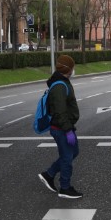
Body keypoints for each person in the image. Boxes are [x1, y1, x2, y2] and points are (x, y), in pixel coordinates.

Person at [38, 55, 82, 199]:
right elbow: (60, 111)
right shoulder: (59, 86)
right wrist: (68, 130)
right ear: (69, 69)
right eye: (73, 67)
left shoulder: (62, 82)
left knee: (73, 152)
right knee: (67, 157)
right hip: (61, 128)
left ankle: (49, 174)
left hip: (65, 126)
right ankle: (65, 187)